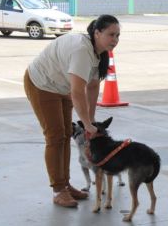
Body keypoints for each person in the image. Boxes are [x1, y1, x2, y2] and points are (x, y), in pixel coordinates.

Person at [24, 15, 120, 207]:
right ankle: (58, 190)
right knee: (55, 136)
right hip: (42, 84)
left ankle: (65, 184)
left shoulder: (100, 52)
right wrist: (86, 124)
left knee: (66, 134)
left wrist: (90, 121)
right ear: (97, 32)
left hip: (61, 87)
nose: (115, 40)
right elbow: (77, 92)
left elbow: (92, 87)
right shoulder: (82, 50)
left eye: (118, 35)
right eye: (111, 35)